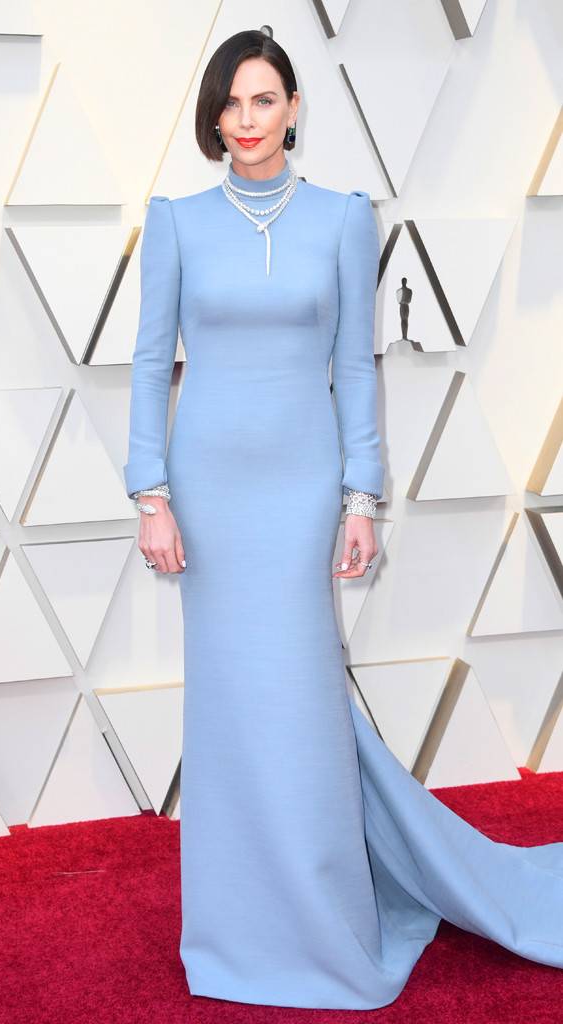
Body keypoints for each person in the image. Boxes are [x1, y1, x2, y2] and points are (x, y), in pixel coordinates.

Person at [123, 29, 563, 1012]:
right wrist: (150, 492)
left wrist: (362, 495)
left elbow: (354, 367)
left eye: (264, 99)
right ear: (212, 115)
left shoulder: (341, 218)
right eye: (231, 102)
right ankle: (238, 930)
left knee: (301, 704)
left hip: (301, 493)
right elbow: (151, 366)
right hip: (208, 496)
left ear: (292, 109)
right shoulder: (177, 223)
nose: (246, 119)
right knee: (229, 709)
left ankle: (324, 922)